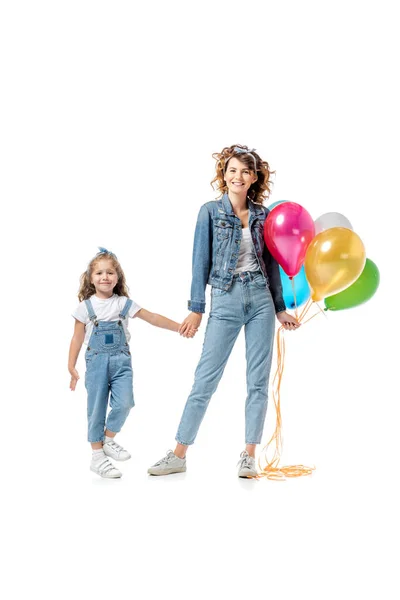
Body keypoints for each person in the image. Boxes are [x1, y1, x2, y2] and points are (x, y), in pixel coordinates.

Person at [148, 145, 300, 478]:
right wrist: (196, 309)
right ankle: (179, 454)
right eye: (232, 170)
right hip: (226, 298)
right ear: (224, 174)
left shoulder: (263, 215)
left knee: (257, 382)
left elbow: (273, 265)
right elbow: (199, 262)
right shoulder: (210, 212)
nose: (238, 176)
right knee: (205, 380)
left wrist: (280, 308)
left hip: (260, 298)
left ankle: (248, 456)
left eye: (246, 171)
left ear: (254, 177)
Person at [68, 247, 196, 479]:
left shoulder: (123, 304)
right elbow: (77, 338)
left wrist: (179, 327)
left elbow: (152, 317)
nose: (104, 277)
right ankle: (97, 458)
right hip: (96, 362)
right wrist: (71, 366)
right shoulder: (85, 308)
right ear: (90, 278)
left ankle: (107, 439)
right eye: (99, 273)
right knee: (95, 408)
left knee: (125, 403)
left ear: (118, 278)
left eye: (110, 273)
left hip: (121, 362)